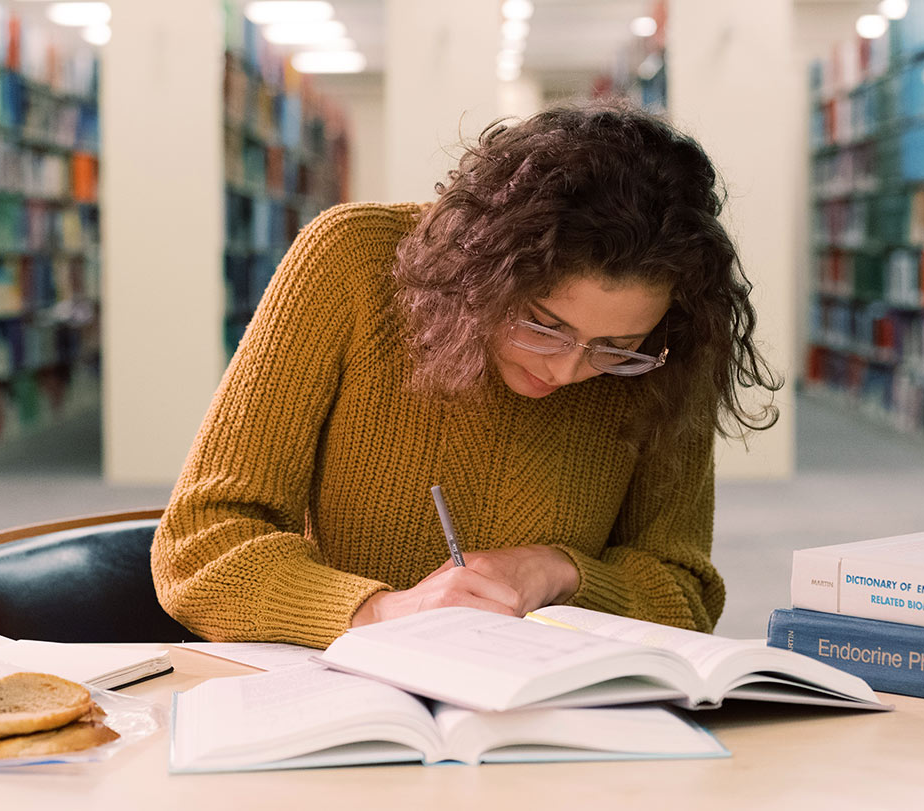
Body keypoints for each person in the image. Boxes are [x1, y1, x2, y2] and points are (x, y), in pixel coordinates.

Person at [151, 102, 780, 648]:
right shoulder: (351, 262)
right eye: (542, 324)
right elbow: (202, 542)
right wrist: (385, 611)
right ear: (482, 274)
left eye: (617, 347)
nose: (566, 369)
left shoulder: (674, 347)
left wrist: (558, 570)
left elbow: (685, 592)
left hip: (550, 709)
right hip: (341, 691)